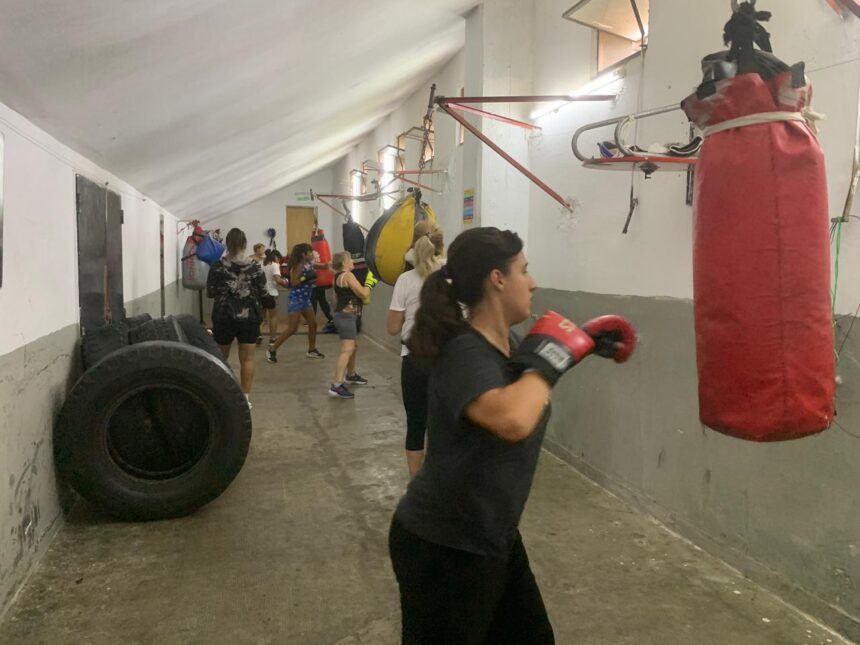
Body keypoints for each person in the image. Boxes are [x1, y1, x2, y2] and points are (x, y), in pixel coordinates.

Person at [388, 226, 636, 644]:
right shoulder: (463, 351)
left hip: (492, 535)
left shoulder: (510, 344)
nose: (533, 282)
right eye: (524, 270)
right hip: (444, 544)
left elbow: (527, 385)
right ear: (497, 279)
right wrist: (555, 357)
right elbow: (512, 419)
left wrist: (584, 344)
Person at [387, 221, 445, 478]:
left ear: (413, 244)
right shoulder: (452, 278)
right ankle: (440, 481)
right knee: (443, 425)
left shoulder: (404, 280)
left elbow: (392, 327)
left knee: (416, 423)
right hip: (446, 360)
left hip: (414, 360)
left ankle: (416, 485)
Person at [206, 228, 268, 408]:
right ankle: (245, 398)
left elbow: (210, 292)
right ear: (244, 244)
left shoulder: (217, 266)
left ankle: (218, 394)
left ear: (227, 244)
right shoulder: (255, 267)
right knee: (247, 359)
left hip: (223, 317)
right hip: (249, 318)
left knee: (220, 358)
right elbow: (264, 293)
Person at [266, 243, 325, 363]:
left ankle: (312, 349)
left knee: (313, 324)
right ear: (304, 254)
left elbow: (323, 266)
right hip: (296, 299)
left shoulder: (310, 263)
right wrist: (306, 277)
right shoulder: (297, 267)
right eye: (310, 252)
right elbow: (294, 282)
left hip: (305, 299)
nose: (312, 253)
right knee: (292, 328)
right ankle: (272, 349)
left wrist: (335, 264)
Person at [328, 252, 371, 399]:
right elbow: (363, 294)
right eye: (349, 259)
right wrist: (369, 284)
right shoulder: (348, 276)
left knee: (354, 347)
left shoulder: (337, 276)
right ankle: (336, 384)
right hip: (346, 317)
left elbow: (334, 298)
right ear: (344, 262)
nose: (352, 261)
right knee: (347, 350)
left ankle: (351, 375)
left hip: (342, 315)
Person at [261, 249, 285, 343]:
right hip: (271, 293)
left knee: (262, 318)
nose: (279, 261)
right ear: (276, 257)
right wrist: (285, 281)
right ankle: (273, 338)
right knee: (273, 317)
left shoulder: (261, 264)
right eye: (279, 259)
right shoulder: (274, 265)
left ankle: (258, 335)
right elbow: (278, 280)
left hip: (261, 293)